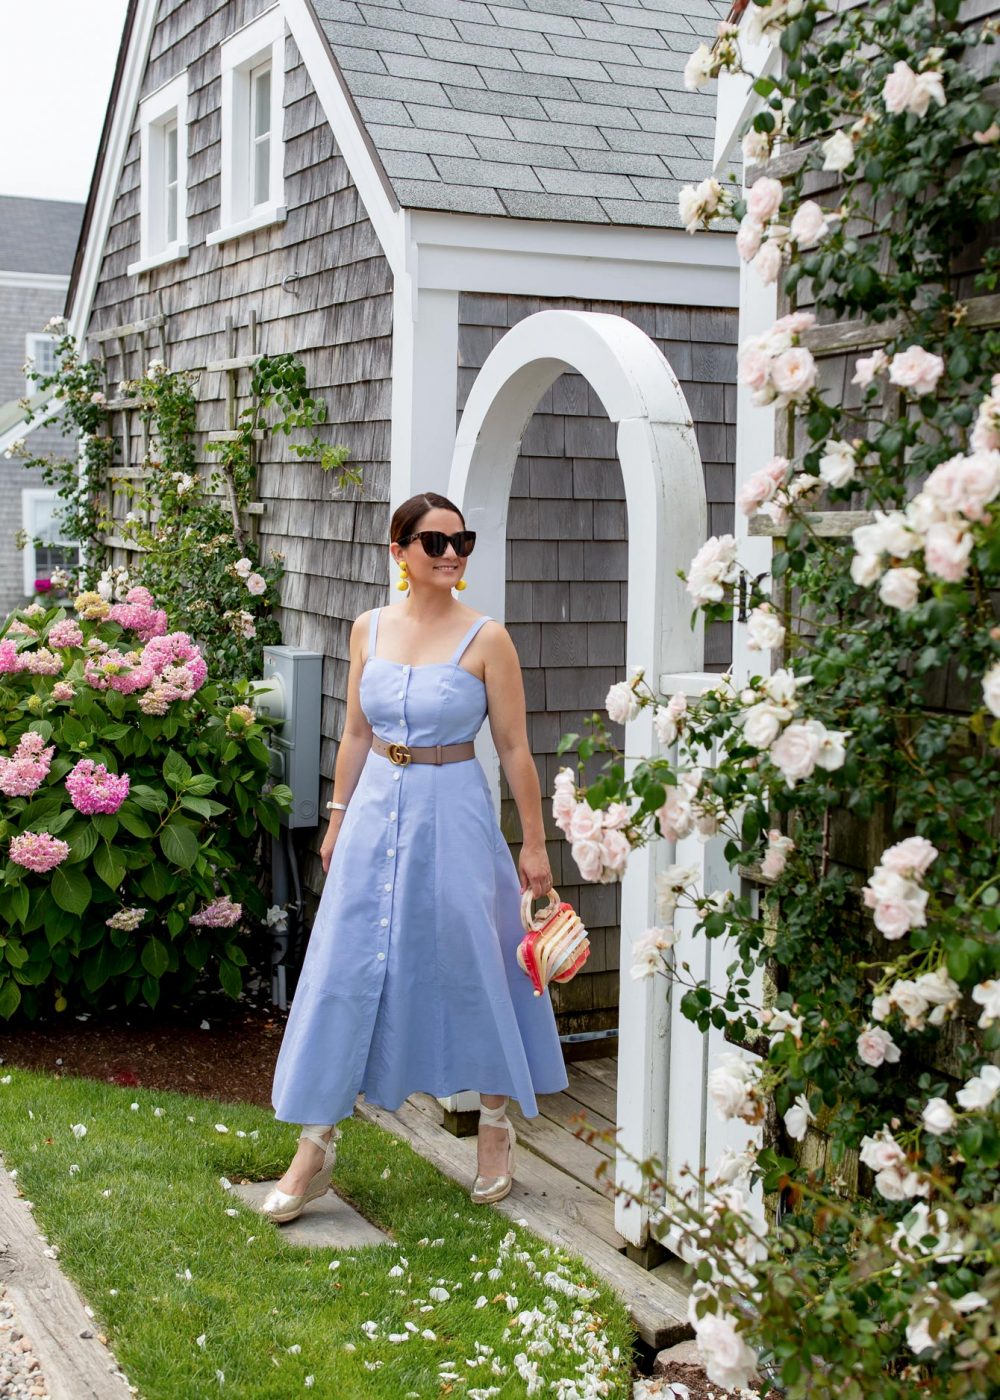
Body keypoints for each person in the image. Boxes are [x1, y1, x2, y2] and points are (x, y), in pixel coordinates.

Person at [263, 491, 569, 1221]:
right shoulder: (367, 627)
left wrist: (533, 843)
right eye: (434, 543)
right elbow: (358, 736)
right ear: (397, 553)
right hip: (373, 813)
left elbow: (516, 749)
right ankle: (316, 1145)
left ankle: (493, 1127)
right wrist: (336, 819)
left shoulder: (488, 638)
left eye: (461, 540)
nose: (453, 554)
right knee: (345, 964)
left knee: (473, 961)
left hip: (455, 812)